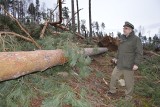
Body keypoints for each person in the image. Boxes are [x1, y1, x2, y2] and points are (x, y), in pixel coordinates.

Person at [107, 21, 143, 100]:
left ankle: (128, 97)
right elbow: (119, 50)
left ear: (130, 30)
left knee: (128, 82)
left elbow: (139, 52)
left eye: (126, 28)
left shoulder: (136, 39)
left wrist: (136, 63)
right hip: (120, 64)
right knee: (113, 76)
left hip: (129, 65)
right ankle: (112, 91)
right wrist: (116, 58)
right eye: (124, 28)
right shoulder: (122, 38)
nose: (124, 29)